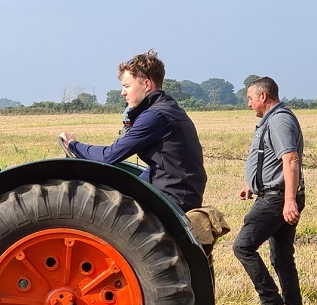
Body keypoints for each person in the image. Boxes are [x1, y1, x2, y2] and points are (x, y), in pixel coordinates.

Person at [58, 50, 206, 212]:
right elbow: (162, 165)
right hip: (180, 192)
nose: (123, 92)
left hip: (172, 198)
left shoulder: (155, 116)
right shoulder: (168, 108)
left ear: (147, 85)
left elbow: (108, 156)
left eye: (127, 86)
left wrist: (74, 144)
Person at [233, 77, 305, 305]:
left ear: (263, 97)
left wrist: (289, 200)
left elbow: (291, 159)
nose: (249, 104)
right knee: (282, 257)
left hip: (277, 199)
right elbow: (272, 160)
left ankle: (271, 302)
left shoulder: (279, 120)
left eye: (250, 99)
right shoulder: (274, 119)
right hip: (275, 194)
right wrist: (253, 185)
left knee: (243, 246)